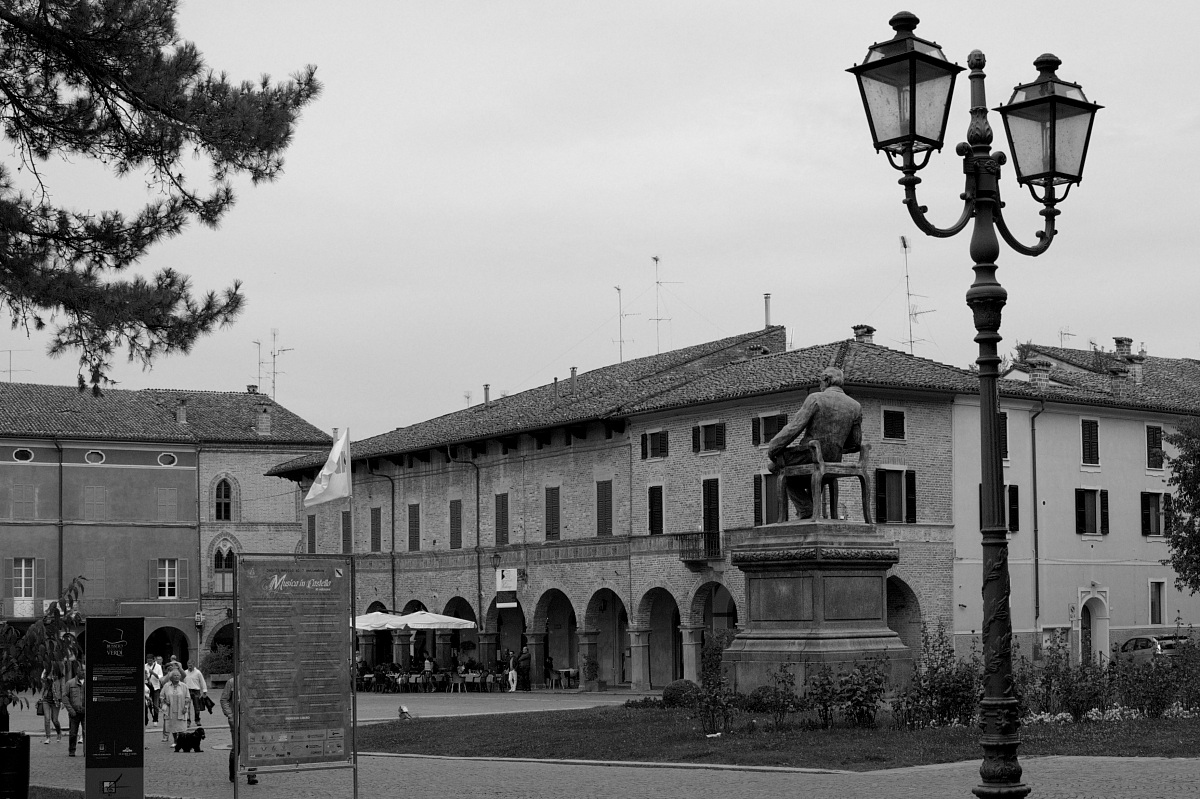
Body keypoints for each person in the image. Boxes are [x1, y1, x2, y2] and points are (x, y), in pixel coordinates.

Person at [766, 366, 863, 519]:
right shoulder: (855, 406)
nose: (820, 386)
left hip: (810, 455)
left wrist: (773, 447)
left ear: (827, 380)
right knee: (817, 471)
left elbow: (794, 428)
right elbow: (856, 443)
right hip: (833, 459)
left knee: (774, 466)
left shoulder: (816, 399)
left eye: (820, 382)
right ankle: (811, 509)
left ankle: (806, 509)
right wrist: (836, 444)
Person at [221, 675, 258, 785]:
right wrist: (230, 714)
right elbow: (224, 699)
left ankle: (251, 775)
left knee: (252, 747)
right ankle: (233, 774)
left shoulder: (253, 681)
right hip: (236, 720)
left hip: (250, 719)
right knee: (236, 748)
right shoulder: (232, 682)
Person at [159, 669, 192, 745]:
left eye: (178, 675)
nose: (176, 677)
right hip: (170, 710)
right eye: (175, 675)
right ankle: (175, 741)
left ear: (180, 677)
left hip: (181, 709)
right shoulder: (166, 686)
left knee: (180, 727)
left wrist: (185, 707)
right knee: (173, 726)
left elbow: (188, 698)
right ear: (171, 677)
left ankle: (181, 741)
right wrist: (164, 701)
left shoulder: (184, 686)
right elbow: (161, 696)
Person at [63, 663, 85, 757]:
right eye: (81, 670)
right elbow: (65, 697)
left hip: (85, 712)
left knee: (85, 732)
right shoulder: (70, 683)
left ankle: (86, 751)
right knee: (73, 733)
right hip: (74, 712)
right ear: (77, 671)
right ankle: (72, 750)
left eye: (84, 670)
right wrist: (70, 710)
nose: (83, 672)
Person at [39, 668, 64, 744]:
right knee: (47, 719)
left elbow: (63, 689)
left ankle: (59, 732)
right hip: (46, 700)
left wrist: (62, 701)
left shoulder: (60, 679)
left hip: (56, 701)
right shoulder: (46, 679)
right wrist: (45, 670)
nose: (52, 674)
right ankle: (48, 737)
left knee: (55, 720)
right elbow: (42, 678)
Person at [146, 655, 164, 725]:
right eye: (148, 660)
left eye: (150, 660)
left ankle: (155, 719)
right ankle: (146, 718)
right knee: (147, 704)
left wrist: (153, 673)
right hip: (147, 687)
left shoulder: (158, 667)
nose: (149, 662)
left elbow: (160, 677)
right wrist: (147, 678)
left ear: (153, 660)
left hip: (156, 687)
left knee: (156, 704)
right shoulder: (145, 666)